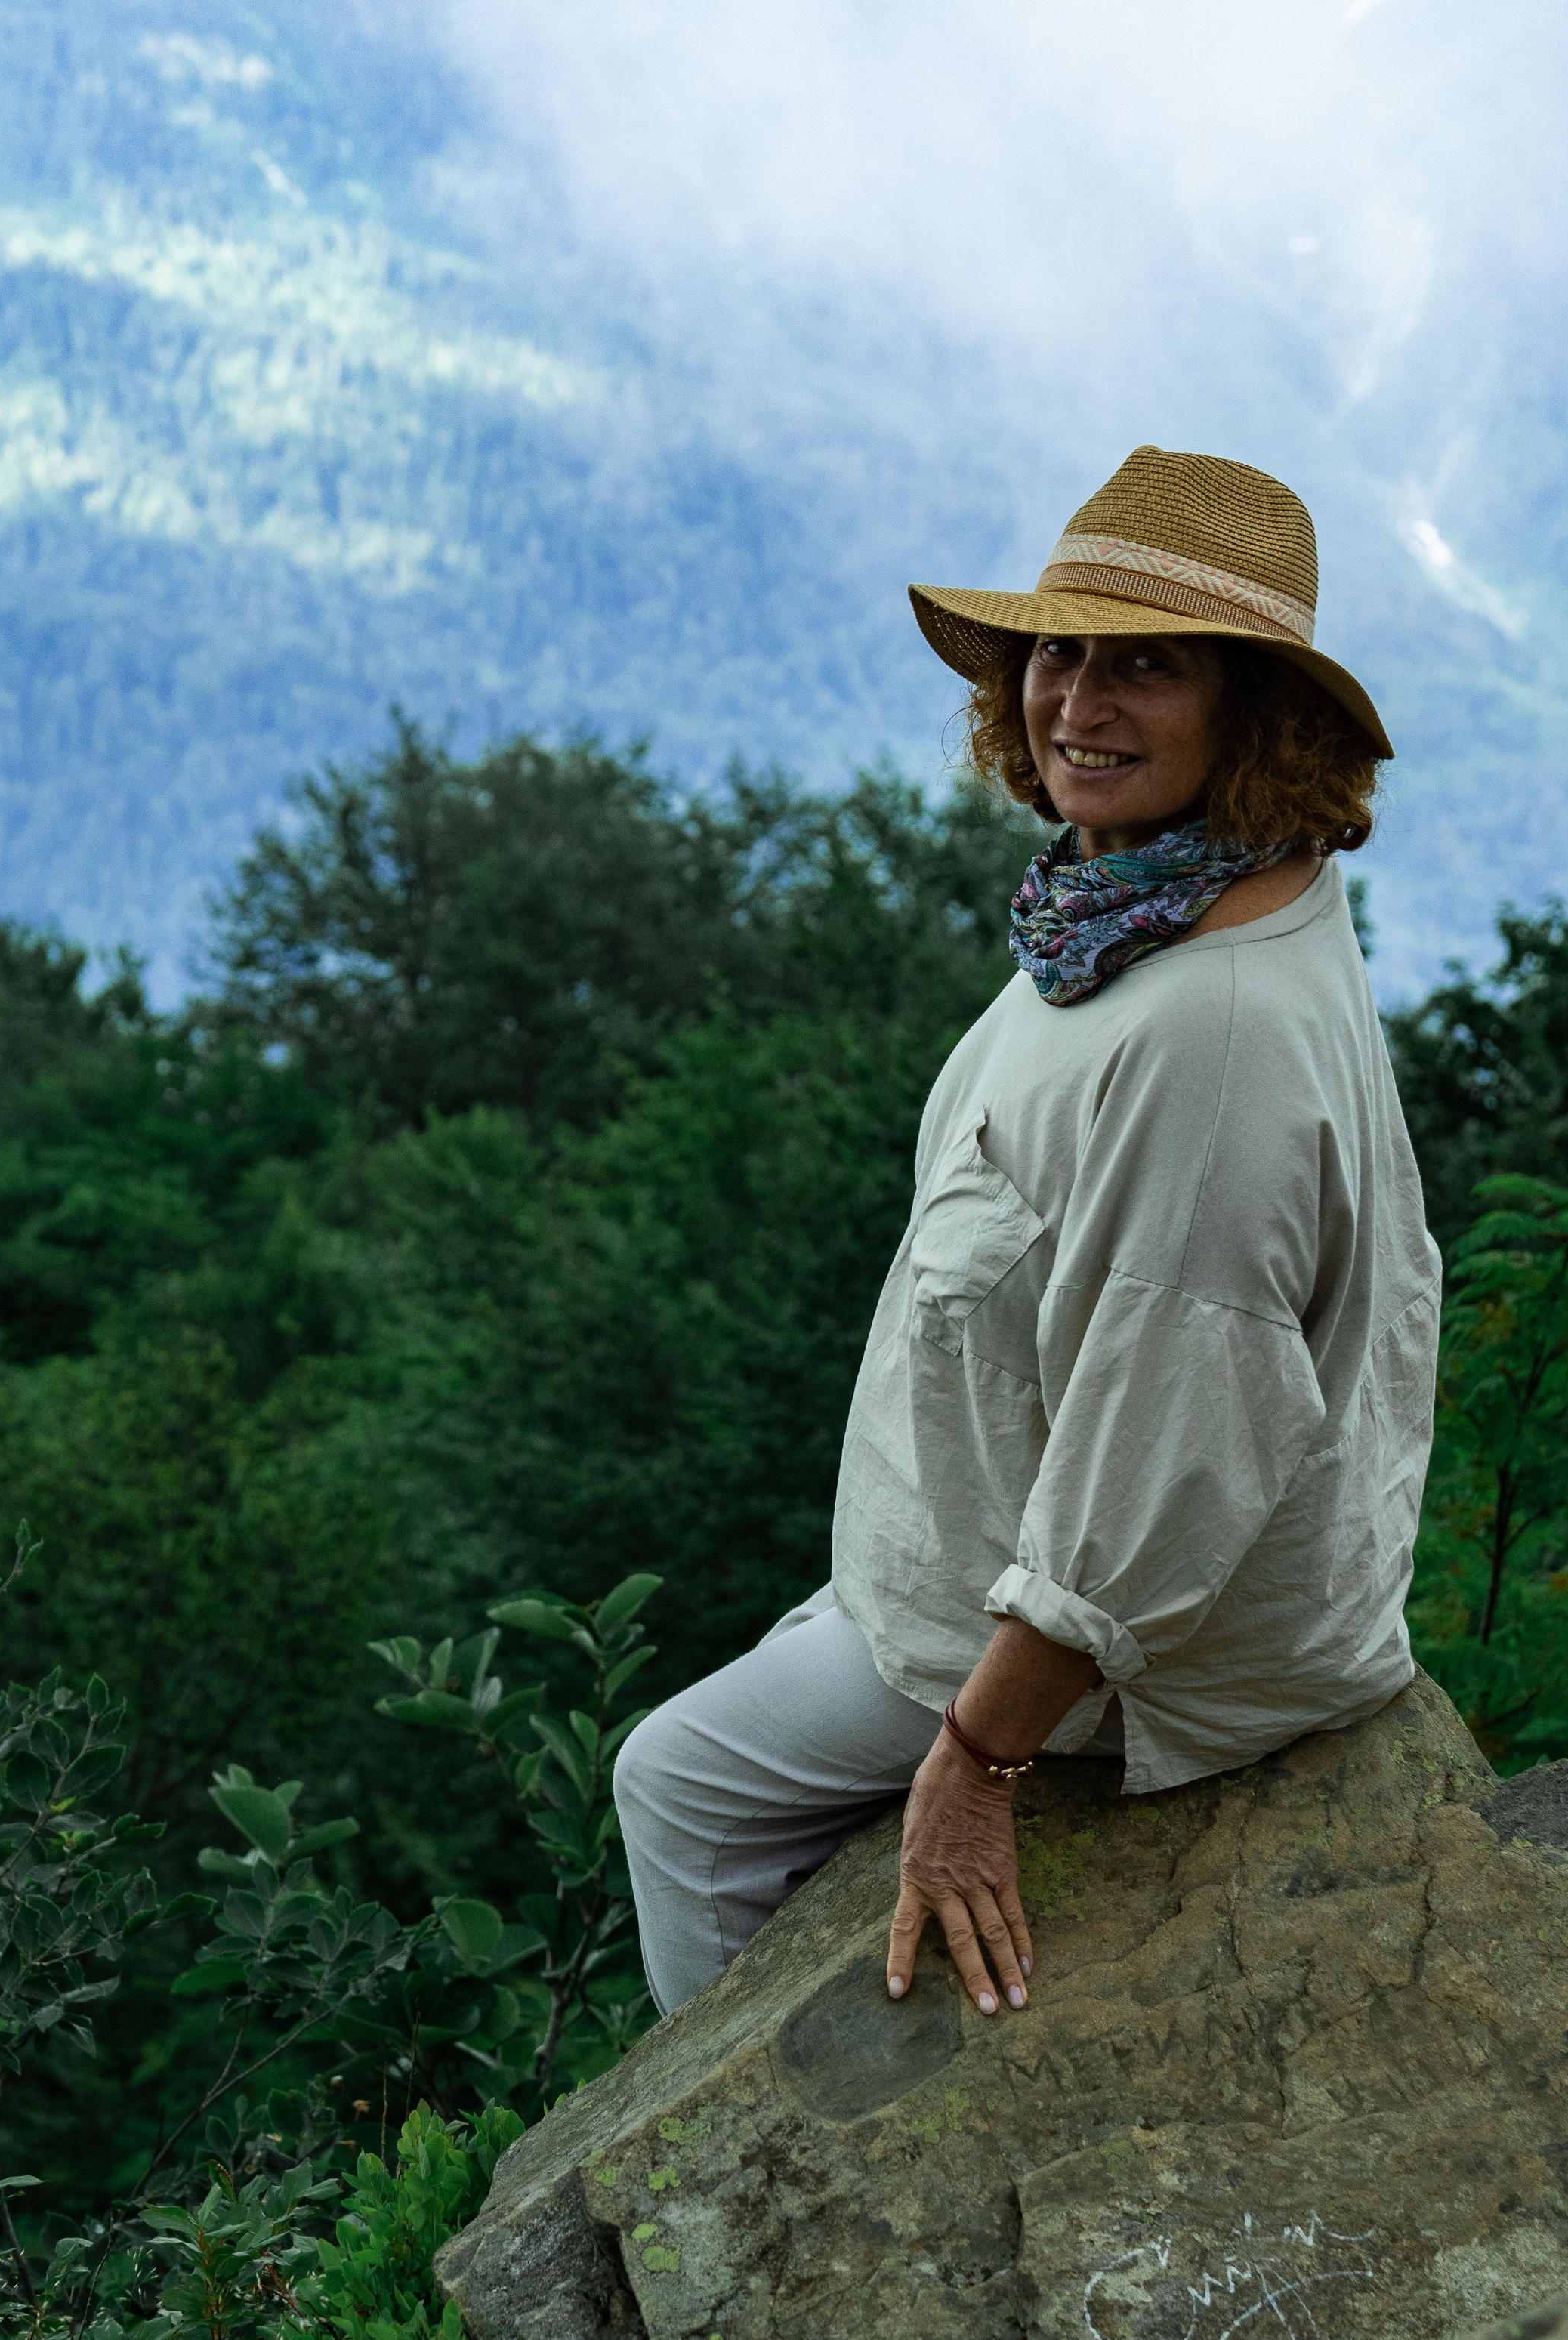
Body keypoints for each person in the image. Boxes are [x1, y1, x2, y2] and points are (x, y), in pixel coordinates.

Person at [615, 446, 1440, 2025]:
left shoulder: (1207, 1034)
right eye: (1057, 651)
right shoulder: (1139, 911)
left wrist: (976, 1760)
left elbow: (1171, 1429)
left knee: (680, 1788)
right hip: (980, 1550)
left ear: (1255, 717)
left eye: (1146, 663)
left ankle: (757, 2168)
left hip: (1149, 1643)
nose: (1076, 703)